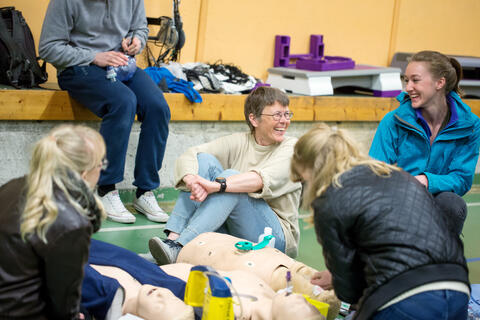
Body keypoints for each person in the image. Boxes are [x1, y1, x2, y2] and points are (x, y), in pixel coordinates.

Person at [291, 123, 470, 320]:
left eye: (303, 176)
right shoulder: (397, 175)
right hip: (457, 286)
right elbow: (396, 243)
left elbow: (350, 292)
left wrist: (341, 279)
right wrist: (335, 276)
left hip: (404, 297)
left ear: (312, 167)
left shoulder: (329, 200)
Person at [39, 0, 171, 224]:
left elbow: (139, 28)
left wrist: (136, 42)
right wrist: (93, 56)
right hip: (78, 68)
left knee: (158, 107)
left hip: (120, 65)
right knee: (123, 101)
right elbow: (48, 48)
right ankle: (106, 189)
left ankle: (145, 191)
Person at [148, 86, 302, 264]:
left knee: (230, 178)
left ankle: (182, 247)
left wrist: (217, 185)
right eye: (277, 115)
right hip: (237, 229)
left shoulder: (292, 148)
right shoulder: (240, 141)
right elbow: (191, 154)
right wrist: (192, 180)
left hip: (275, 239)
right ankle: (173, 241)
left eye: (287, 114)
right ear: (254, 119)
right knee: (203, 160)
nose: (284, 121)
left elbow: (260, 180)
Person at [0, 125, 106, 319]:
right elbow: (64, 307)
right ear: (84, 174)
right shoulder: (72, 223)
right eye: (101, 164)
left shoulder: (11, 187)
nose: (101, 169)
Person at [369, 50, 480, 234]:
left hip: (437, 202)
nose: (408, 87)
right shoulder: (392, 121)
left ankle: (440, 256)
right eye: (406, 80)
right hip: (396, 201)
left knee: (452, 204)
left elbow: (461, 179)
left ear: (439, 83)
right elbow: (374, 171)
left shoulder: (471, 126)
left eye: (415, 80)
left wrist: (426, 181)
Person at [82, 238, 329, 320]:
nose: (305, 301)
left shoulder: (237, 313)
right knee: (75, 243)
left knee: (88, 277)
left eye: (303, 308)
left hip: (164, 292)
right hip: (157, 274)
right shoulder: (268, 292)